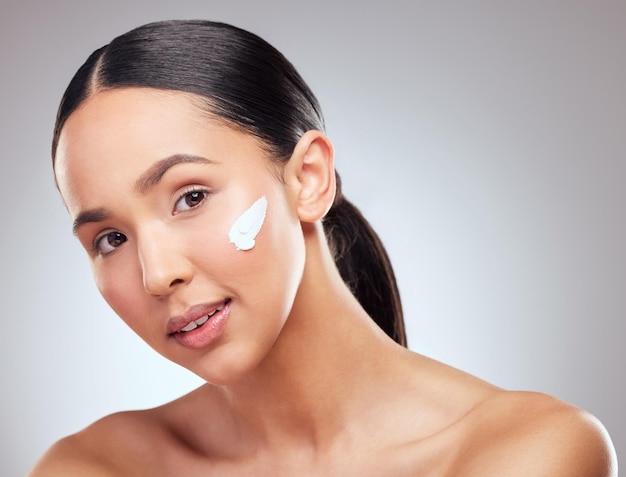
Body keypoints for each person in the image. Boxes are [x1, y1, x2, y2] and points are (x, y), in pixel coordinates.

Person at [29, 19, 616, 476]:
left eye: (191, 197)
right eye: (110, 239)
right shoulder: (93, 468)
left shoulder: (523, 453)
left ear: (308, 178)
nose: (157, 275)